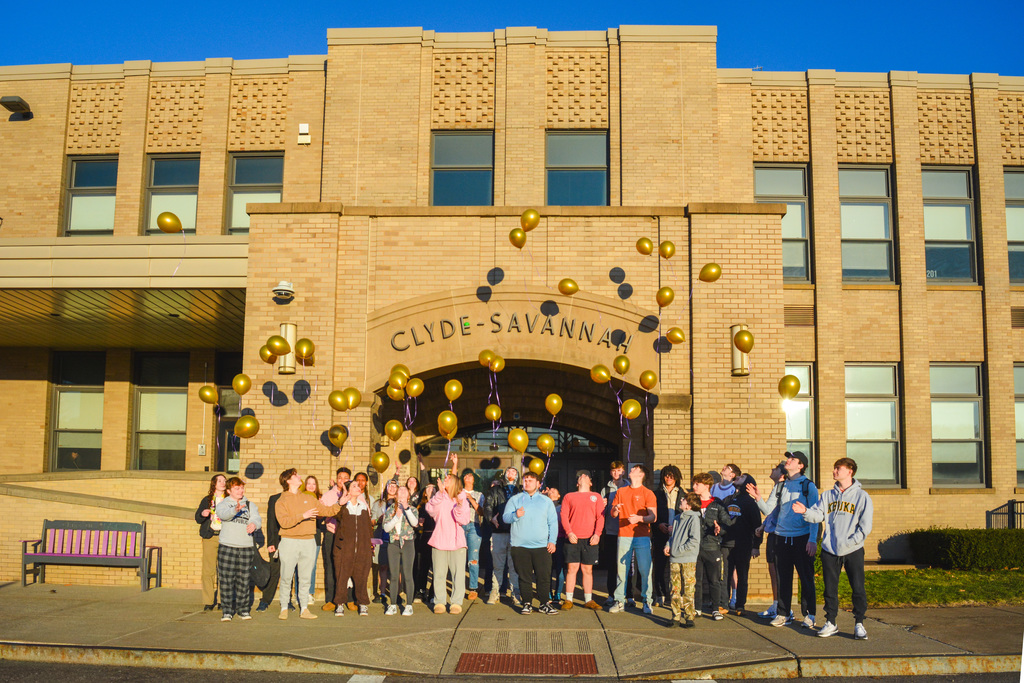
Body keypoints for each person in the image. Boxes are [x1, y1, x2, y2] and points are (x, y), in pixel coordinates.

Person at [793, 457, 873, 640]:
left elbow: (865, 527)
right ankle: (831, 622)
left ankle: (859, 623)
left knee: (858, 587)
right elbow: (818, 515)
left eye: (838, 468)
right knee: (830, 589)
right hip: (830, 549)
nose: (834, 471)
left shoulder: (862, 497)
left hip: (853, 549)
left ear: (850, 471)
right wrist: (805, 511)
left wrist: (852, 542)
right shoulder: (828, 495)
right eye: (834, 468)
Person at [747, 451, 819, 629]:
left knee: (806, 577)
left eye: (792, 459)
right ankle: (783, 613)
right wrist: (758, 498)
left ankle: (810, 614)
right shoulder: (780, 486)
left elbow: (816, 515)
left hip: (802, 538)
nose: (788, 461)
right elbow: (767, 510)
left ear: (801, 465)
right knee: (783, 578)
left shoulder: (808, 486)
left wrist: (812, 539)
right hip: (781, 538)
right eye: (788, 458)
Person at [274, 468, 341, 620]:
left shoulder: (309, 498)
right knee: (286, 576)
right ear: (288, 480)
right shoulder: (281, 500)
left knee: (305, 578)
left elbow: (327, 511)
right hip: (289, 541)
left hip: (308, 541)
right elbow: (283, 522)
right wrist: (303, 516)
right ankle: (284, 607)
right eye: (295, 475)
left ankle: (304, 608)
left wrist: (340, 503)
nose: (299, 477)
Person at [503, 470, 559, 615]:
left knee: (544, 576)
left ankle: (544, 603)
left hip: (542, 546)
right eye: (525, 480)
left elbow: (553, 523)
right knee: (524, 576)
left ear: (538, 484)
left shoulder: (546, 501)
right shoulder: (515, 500)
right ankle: (527, 603)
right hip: (520, 546)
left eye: (531, 480)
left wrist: (552, 541)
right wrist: (516, 515)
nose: (527, 483)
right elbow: (505, 518)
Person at [608, 464, 657, 614]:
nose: (631, 471)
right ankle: (619, 600)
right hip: (624, 535)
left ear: (641, 475)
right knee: (621, 569)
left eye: (634, 469)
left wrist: (640, 518)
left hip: (642, 536)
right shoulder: (621, 491)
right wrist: (615, 509)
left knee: (645, 569)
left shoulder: (648, 493)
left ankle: (647, 601)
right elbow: (613, 514)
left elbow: (653, 517)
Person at [214, 477, 261, 621]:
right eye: (237, 488)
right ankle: (227, 611)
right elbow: (223, 515)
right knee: (226, 580)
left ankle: (243, 610)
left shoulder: (250, 504)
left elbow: (257, 518)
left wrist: (254, 524)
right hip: (227, 546)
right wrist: (235, 509)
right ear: (229, 491)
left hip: (245, 547)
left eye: (241, 488)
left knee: (244, 580)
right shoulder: (223, 504)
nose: (240, 491)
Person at [426, 470, 472, 614]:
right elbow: (430, 510)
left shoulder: (461, 498)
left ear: (454, 482)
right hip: (439, 540)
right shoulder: (439, 497)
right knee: (439, 573)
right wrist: (439, 493)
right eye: (444, 478)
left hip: (457, 542)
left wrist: (459, 505)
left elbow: (464, 520)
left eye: (448, 478)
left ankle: (456, 602)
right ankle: (439, 601)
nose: (445, 479)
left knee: (458, 574)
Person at [691, 472, 734, 620]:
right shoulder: (691, 502)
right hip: (695, 548)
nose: (694, 486)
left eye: (697, 484)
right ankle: (697, 608)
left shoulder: (717, 504)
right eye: (694, 483)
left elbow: (727, 523)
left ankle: (716, 608)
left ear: (706, 486)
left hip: (712, 547)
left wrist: (719, 530)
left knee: (715, 580)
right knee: (696, 580)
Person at [559, 470, 604, 610]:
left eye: (586, 476)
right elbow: (564, 516)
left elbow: (600, 517)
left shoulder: (596, 496)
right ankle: (569, 599)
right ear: (577, 482)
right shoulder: (569, 496)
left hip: (590, 538)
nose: (583, 476)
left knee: (587, 570)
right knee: (571, 568)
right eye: (580, 476)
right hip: (573, 538)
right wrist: (569, 532)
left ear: (590, 482)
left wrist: (597, 534)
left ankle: (588, 599)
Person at [719, 471, 762, 616]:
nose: (738, 477)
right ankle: (724, 604)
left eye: (742, 477)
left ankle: (740, 605)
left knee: (743, 576)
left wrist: (756, 546)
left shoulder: (750, 503)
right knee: (725, 575)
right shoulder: (727, 500)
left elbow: (757, 526)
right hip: (726, 544)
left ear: (748, 484)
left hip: (744, 545)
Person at [483, 467, 522, 605]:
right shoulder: (495, 490)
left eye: (514, 472)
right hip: (498, 532)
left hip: (516, 533)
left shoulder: (521, 491)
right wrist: (490, 518)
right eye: (509, 471)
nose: (511, 474)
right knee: (498, 565)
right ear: (504, 475)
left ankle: (515, 592)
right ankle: (495, 591)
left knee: (514, 566)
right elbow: (487, 506)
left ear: (517, 475)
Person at [333, 480, 373, 616]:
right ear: (348, 490)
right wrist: (341, 501)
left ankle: (362, 603)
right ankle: (339, 604)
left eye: (358, 486)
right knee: (342, 577)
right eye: (354, 486)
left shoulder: (363, 506)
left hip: (362, 549)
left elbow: (368, 528)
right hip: (344, 549)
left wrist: (370, 546)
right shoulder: (343, 506)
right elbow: (335, 515)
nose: (358, 487)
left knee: (362, 576)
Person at [752, 460, 787, 619]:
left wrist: (757, 497)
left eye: (775, 468)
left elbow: (767, 509)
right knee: (773, 571)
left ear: (781, 474)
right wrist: (764, 525)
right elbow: (773, 513)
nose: (772, 470)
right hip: (773, 532)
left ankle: (783, 607)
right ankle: (776, 604)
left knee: (778, 571)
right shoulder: (778, 487)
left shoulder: (781, 487)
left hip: (779, 535)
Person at [664, 492, 701, 628]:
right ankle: (675, 616)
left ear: (689, 505)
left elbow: (694, 540)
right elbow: (673, 537)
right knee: (674, 588)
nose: (681, 500)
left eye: (684, 499)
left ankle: (689, 617)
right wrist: (668, 545)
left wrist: (677, 550)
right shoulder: (677, 518)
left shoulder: (694, 519)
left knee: (688, 588)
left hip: (688, 559)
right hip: (675, 559)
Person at [382, 483, 419, 616]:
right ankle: (392, 605)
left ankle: (408, 605)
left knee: (407, 575)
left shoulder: (413, 509)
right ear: (396, 496)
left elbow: (415, 523)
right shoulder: (391, 509)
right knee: (393, 575)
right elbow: (386, 528)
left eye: (405, 492)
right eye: (400, 492)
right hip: (393, 544)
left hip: (408, 543)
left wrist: (406, 509)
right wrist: (397, 515)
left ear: (408, 496)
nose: (402, 493)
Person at [320, 467, 351, 612]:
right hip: (331, 533)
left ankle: (349, 598)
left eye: (346, 477)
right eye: (340, 477)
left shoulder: (355, 494)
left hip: (349, 535)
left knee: (349, 567)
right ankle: (331, 599)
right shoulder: (328, 495)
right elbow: (320, 512)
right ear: (336, 479)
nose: (342, 480)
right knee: (331, 566)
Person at [195, 473, 227, 611]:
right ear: (214, 483)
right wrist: (203, 514)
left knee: (224, 570)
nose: (223, 483)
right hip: (210, 536)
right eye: (219, 480)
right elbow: (197, 518)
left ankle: (222, 600)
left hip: (226, 537)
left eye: (224, 481)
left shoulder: (229, 500)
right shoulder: (207, 500)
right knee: (208, 570)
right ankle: (208, 601)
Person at [653, 465, 683, 607]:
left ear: (676, 477)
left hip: (678, 536)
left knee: (676, 568)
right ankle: (660, 594)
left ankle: (676, 596)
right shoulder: (656, 494)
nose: (668, 478)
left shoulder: (683, 494)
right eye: (666, 475)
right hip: (661, 534)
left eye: (671, 476)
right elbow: (651, 514)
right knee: (659, 567)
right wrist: (659, 524)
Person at [600, 461, 628, 606]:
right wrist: (602, 506)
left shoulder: (629, 486)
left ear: (623, 471)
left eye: (619, 471)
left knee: (627, 564)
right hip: (611, 530)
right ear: (611, 473)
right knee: (612, 565)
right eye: (613, 471)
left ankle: (628, 595)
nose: (616, 474)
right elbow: (600, 511)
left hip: (628, 531)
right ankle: (611, 594)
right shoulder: (606, 489)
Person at [371, 479, 398, 605]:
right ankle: (381, 593)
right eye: (390, 486)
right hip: (382, 538)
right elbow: (372, 520)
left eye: (394, 486)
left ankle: (396, 593)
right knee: (382, 566)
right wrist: (378, 520)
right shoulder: (379, 503)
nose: (392, 488)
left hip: (395, 538)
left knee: (396, 568)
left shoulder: (400, 504)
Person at [461, 471, 484, 601]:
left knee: (473, 559)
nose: (467, 477)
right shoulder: (458, 492)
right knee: (458, 559)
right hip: (459, 527)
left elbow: (481, 512)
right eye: (465, 476)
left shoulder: (479, 495)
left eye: (470, 476)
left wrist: (470, 498)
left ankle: (473, 588)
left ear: (474, 480)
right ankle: (458, 586)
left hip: (474, 526)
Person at [414, 483, 437, 604]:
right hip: (425, 536)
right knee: (423, 565)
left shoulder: (439, 504)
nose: (431, 489)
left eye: (433, 488)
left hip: (437, 536)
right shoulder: (420, 506)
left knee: (436, 567)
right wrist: (419, 523)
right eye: (428, 487)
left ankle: (433, 592)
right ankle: (421, 590)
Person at [303, 475, 323, 606]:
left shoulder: (320, 499)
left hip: (315, 535)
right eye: (308, 483)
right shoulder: (300, 498)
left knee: (312, 565)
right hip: (302, 535)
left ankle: (309, 593)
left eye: (313, 484)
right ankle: (301, 593)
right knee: (301, 565)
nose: (311, 486)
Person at [544, 487, 566, 603]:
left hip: (560, 540)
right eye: (550, 491)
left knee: (559, 568)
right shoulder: (544, 506)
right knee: (547, 568)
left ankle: (558, 593)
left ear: (559, 496)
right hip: (546, 540)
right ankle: (548, 592)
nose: (551, 492)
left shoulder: (562, 508)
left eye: (554, 491)